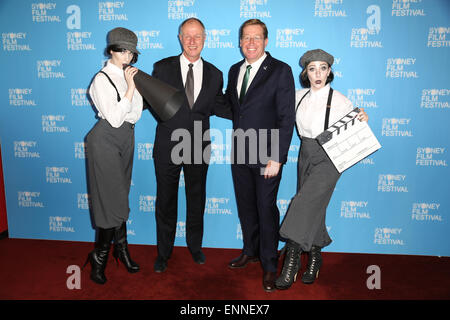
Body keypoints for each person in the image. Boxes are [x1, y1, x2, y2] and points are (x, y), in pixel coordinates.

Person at [275, 49, 369, 290]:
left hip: (331, 155)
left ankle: (292, 258)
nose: (318, 74)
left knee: (303, 201)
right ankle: (315, 256)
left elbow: (354, 127)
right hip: (306, 152)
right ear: (305, 72)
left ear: (330, 71)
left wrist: (362, 118)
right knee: (313, 206)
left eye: (323, 68)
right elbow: (275, 110)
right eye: (312, 69)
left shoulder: (340, 99)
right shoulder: (297, 96)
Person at [151, 18, 231, 273]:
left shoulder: (216, 74)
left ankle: (195, 247)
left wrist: (257, 110)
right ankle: (164, 253)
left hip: (198, 144)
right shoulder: (162, 68)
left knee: (197, 199)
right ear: (180, 37)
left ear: (205, 39)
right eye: (188, 35)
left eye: (197, 36)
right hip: (167, 145)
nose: (192, 41)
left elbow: (221, 106)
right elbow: (150, 102)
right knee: (166, 200)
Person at [225, 19, 295, 292]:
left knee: (265, 209)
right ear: (240, 41)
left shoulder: (280, 70)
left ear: (266, 41)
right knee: (246, 207)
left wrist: (277, 157)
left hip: (268, 155)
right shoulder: (234, 70)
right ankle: (250, 251)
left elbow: (286, 117)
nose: (250, 43)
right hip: (240, 151)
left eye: (256, 38)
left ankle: (269, 265)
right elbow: (232, 107)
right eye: (245, 37)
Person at [84, 27, 143, 284]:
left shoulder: (129, 76)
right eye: (122, 50)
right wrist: (130, 87)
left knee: (119, 199)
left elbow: (135, 115)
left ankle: (121, 251)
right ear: (111, 50)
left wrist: (131, 86)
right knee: (111, 202)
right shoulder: (101, 79)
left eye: (131, 51)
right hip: (105, 140)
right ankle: (100, 258)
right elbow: (117, 117)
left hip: (126, 139)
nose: (127, 55)